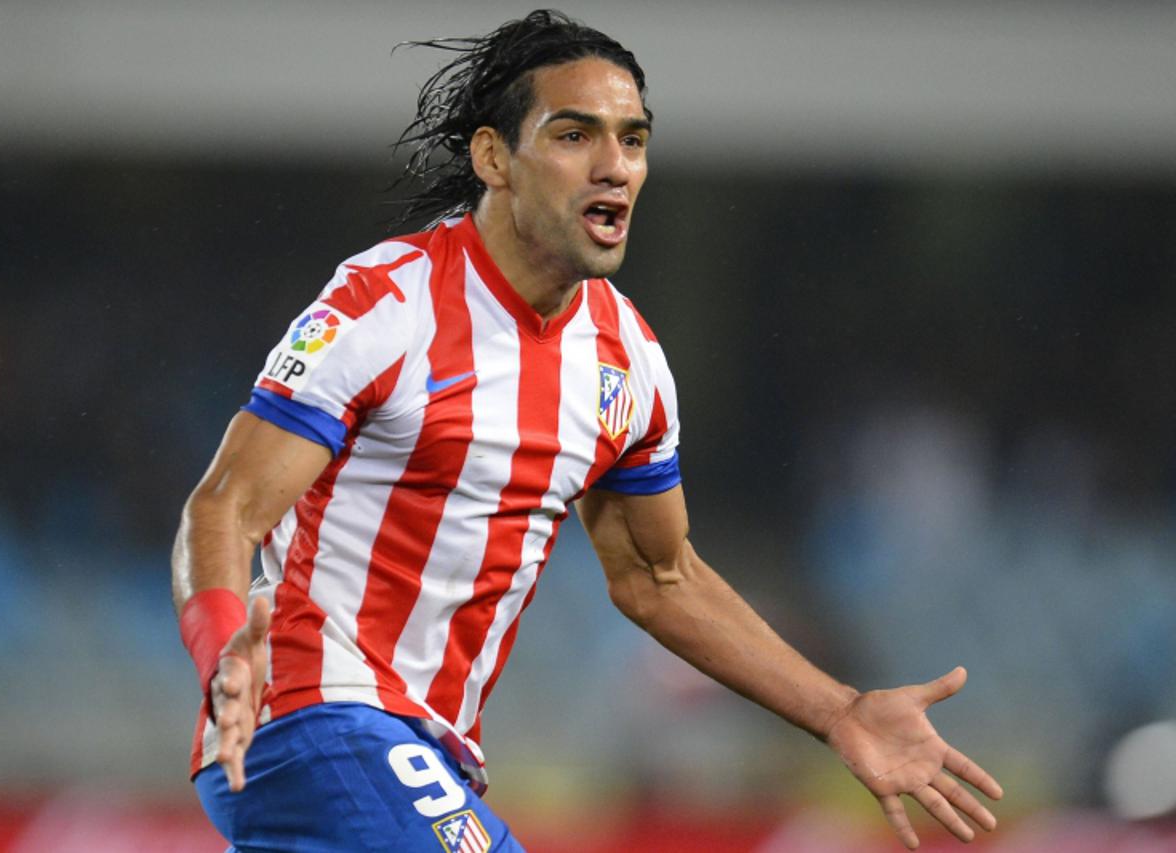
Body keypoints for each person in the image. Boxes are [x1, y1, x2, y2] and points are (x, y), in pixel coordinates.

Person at [172, 10, 1003, 852]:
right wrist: (222, 663)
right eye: (575, 135)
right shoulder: (386, 304)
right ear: (493, 157)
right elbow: (225, 507)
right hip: (310, 712)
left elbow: (658, 575)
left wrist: (842, 711)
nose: (614, 167)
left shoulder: (627, 361)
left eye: (633, 140)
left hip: (425, 749)